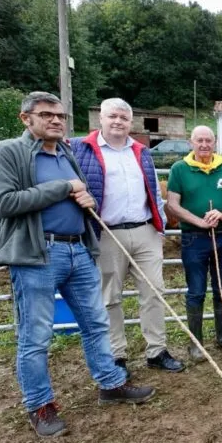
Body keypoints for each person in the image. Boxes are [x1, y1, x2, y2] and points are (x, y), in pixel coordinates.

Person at [0, 91, 155, 438]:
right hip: (37, 254)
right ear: (25, 118)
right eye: (46, 114)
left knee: (96, 322)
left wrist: (85, 198)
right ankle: (40, 405)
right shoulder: (6, 152)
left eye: (60, 115)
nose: (56, 121)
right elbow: (5, 203)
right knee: (36, 335)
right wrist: (63, 187)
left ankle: (110, 383)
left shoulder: (66, 152)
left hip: (78, 250)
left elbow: (78, 195)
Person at [70, 98, 184, 376]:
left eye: (123, 117)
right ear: (101, 119)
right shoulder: (79, 148)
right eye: (113, 116)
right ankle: (116, 354)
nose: (118, 121)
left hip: (145, 230)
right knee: (110, 296)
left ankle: (156, 350)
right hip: (107, 233)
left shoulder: (141, 151)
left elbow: (153, 189)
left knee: (155, 292)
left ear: (130, 122)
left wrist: (158, 226)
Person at [165, 125, 222, 361]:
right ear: (191, 142)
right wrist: (199, 222)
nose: (204, 145)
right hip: (194, 238)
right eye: (199, 140)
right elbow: (173, 204)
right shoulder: (180, 169)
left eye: (208, 141)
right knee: (196, 291)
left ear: (215, 142)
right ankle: (196, 343)